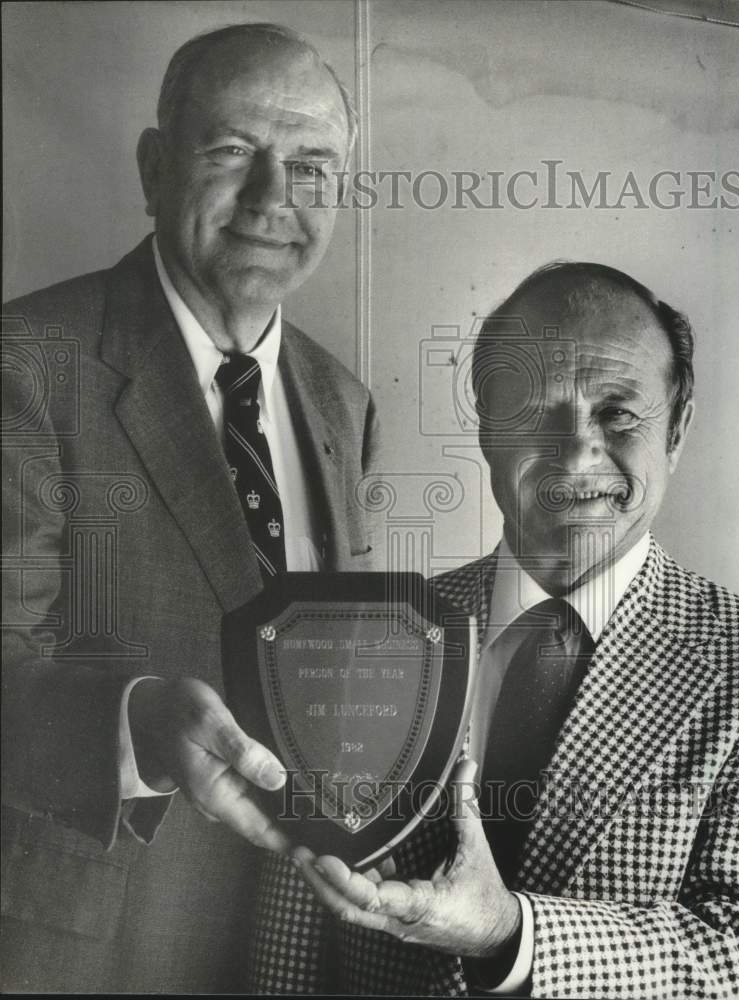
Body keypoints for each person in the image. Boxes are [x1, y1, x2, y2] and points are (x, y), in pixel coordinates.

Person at [253, 263, 739, 998]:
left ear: (679, 429)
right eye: (537, 412)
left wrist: (512, 934)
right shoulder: (367, 639)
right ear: (487, 430)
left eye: (618, 414)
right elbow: (290, 947)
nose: (575, 454)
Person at [1, 23, 379, 993]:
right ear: (154, 165)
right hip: (82, 951)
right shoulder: (29, 362)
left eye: (310, 166)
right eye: (231, 153)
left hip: (286, 947)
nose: (272, 200)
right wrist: (138, 723)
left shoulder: (344, 405)